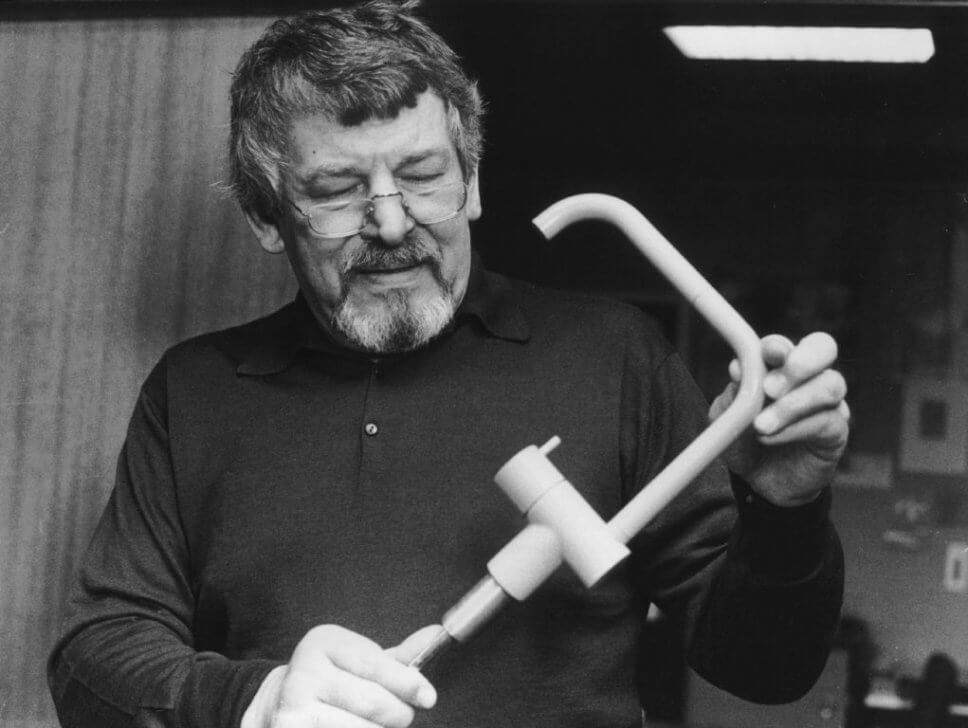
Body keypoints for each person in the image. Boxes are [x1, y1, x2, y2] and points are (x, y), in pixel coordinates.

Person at [47, 2, 849, 727]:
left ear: (471, 182)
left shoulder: (616, 358)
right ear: (266, 216)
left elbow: (766, 670)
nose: (393, 225)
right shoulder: (195, 392)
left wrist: (786, 509)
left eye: (423, 176)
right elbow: (93, 660)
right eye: (338, 190)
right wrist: (254, 702)